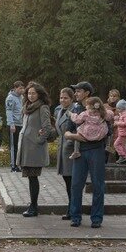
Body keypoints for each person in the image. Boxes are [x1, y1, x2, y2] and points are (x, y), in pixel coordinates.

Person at [65, 81, 107, 228]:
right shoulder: (76, 109)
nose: (75, 93)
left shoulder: (99, 107)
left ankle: (96, 218)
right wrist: (70, 135)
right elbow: (68, 130)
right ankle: (75, 217)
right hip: (80, 152)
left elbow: (107, 131)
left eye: (78, 91)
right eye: (75, 91)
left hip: (96, 150)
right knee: (76, 185)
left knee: (98, 185)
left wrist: (78, 136)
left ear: (87, 93)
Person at [16, 82, 51, 217]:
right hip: (26, 148)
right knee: (31, 178)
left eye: (33, 93)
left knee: (33, 177)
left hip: (34, 149)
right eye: (29, 93)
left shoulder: (42, 108)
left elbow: (47, 127)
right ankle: (32, 205)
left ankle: (34, 207)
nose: (31, 96)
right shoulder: (27, 107)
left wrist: (39, 141)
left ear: (39, 94)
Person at [53, 87, 76, 220]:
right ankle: (71, 207)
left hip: (71, 149)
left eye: (66, 98)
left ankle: (72, 209)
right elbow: (57, 130)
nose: (62, 100)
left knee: (72, 181)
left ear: (71, 99)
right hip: (62, 149)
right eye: (61, 98)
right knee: (67, 180)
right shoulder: (59, 110)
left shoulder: (74, 111)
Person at [6, 81, 24, 172]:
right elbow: (9, 111)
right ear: (15, 88)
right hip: (14, 125)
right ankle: (13, 165)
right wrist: (11, 124)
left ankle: (19, 164)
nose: (22, 90)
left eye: (22, 88)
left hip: (21, 124)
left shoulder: (21, 97)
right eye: (20, 88)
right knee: (14, 146)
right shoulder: (10, 98)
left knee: (20, 145)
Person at [113, 99, 126, 164]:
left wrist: (117, 123)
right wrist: (117, 119)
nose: (117, 110)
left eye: (118, 108)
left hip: (124, 133)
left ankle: (122, 156)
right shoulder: (123, 113)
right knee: (123, 145)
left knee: (116, 144)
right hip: (124, 132)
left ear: (122, 108)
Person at [104, 89, 120, 162]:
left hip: (117, 131)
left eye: (114, 96)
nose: (113, 97)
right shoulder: (104, 106)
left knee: (117, 148)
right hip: (106, 131)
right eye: (111, 96)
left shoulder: (120, 107)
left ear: (118, 97)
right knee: (106, 149)